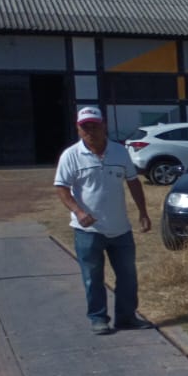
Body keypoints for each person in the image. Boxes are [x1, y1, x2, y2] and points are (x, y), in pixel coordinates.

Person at [54, 106, 152, 334]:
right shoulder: (71, 155)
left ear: (103, 125)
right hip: (88, 231)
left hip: (120, 230)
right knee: (92, 277)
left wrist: (143, 213)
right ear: (78, 129)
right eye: (84, 126)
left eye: (94, 125)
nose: (90, 130)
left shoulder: (120, 152)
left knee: (128, 276)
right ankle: (98, 318)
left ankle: (126, 317)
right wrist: (78, 212)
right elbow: (61, 188)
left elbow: (133, 182)